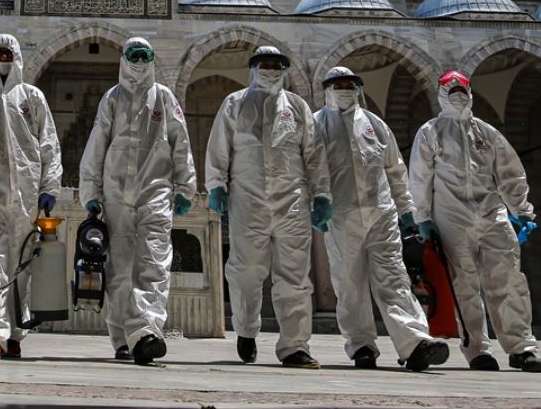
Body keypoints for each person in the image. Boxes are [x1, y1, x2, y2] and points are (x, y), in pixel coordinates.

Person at [314, 65, 449, 372]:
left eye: (350, 84)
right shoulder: (317, 124)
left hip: (381, 214)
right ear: (328, 89)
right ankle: (362, 346)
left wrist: (407, 212)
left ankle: (414, 344)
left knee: (393, 277)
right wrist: (316, 202)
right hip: (342, 215)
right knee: (350, 284)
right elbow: (310, 169)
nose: (345, 89)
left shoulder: (374, 123)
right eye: (338, 85)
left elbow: (395, 171)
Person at [409, 70, 541, 372]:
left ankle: (521, 347)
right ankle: (478, 349)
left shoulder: (486, 132)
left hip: (491, 209)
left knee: (508, 278)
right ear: (442, 93)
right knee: (464, 282)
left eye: (463, 88)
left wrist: (522, 210)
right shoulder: (431, 131)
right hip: (451, 212)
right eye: (451, 88)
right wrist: (423, 217)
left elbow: (510, 173)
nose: (458, 92)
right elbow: (419, 177)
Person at [205, 45, 331, 368]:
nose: (271, 69)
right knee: (246, 271)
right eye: (265, 64)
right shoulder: (235, 103)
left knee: (294, 276)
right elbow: (219, 148)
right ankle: (246, 329)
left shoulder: (298, 107)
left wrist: (321, 196)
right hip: (248, 200)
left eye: (277, 64)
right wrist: (216, 185)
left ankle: (294, 345)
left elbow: (313, 155)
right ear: (253, 67)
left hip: (292, 202)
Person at [79, 36, 196, 365]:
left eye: (146, 55)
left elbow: (181, 142)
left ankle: (146, 332)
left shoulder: (164, 98)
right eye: (135, 54)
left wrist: (185, 187)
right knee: (120, 271)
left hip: (155, 192)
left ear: (152, 59)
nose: (140, 60)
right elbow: (96, 145)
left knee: (154, 264)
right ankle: (121, 337)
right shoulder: (112, 98)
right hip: (116, 195)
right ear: (125, 58)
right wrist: (91, 195)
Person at [0, 34, 63, 360]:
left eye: (8, 53)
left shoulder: (32, 97)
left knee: (22, 268)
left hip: (27, 197)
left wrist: (49, 188)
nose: (3, 59)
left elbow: (48, 146)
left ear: (16, 56)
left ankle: (15, 333)